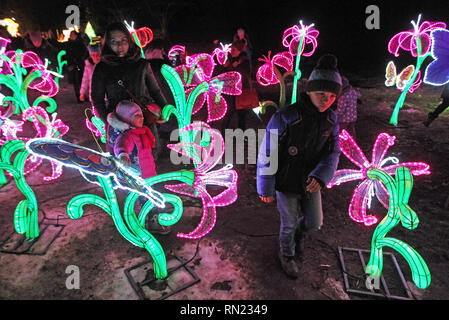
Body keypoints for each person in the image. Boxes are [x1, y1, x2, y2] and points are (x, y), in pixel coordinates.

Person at [256, 54, 342, 278]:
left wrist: (322, 176)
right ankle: (287, 253)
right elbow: (268, 151)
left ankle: (297, 237)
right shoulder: (286, 117)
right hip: (286, 181)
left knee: (314, 222)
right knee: (288, 223)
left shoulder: (331, 119)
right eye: (321, 94)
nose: (326, 100)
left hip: (312, 182)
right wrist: (266, 186)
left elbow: (333, 151)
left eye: (332, 95)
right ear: (309, 91)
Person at [91, 22, 168, 159]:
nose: (120, 46)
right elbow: (97, 100)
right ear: (108, 43)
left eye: (123, 40)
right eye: (114, 42)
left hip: (143, 121)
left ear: (129, 41)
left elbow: (155, 91)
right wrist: (109, 121)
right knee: (122, 164)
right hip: (118, 123)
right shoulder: (102, 68)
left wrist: (164, 111)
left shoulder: (141, 64)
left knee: (148, 160)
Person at [108, 100, 170, 235]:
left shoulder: (141, 131)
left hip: (149, 175)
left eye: (141, 115)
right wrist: (123, 155)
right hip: (137, 178)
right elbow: (121, 145)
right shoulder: (127, 136)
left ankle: (147, 222)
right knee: (142, 203)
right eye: (137, 117)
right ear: (128, 119)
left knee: (150, 200)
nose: (142, 118)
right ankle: (141, 226)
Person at [221, 39, 251, 133]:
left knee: (241, 116)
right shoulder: (230, 60)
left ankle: (241, 134)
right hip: (231, 93)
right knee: (228, 113)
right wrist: (225, 67)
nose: (231, 50)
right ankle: (223, 132)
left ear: (239, 50)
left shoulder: (244, 61)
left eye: (234, 49)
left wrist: (236, 66)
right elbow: (226, 76)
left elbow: (245, 74)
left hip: (242, 92)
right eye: (232, 48)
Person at [65, 30, 89, 103]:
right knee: (76, 82)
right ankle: (79, 97)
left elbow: (85, 51)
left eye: (72, 34)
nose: (71, 36)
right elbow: (67, 54)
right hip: (72, 64)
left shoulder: (80, 43)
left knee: (82, 81)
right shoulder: (68, 44)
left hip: (80, 64)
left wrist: (82, 58)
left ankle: (83, 96)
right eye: (70, 34)